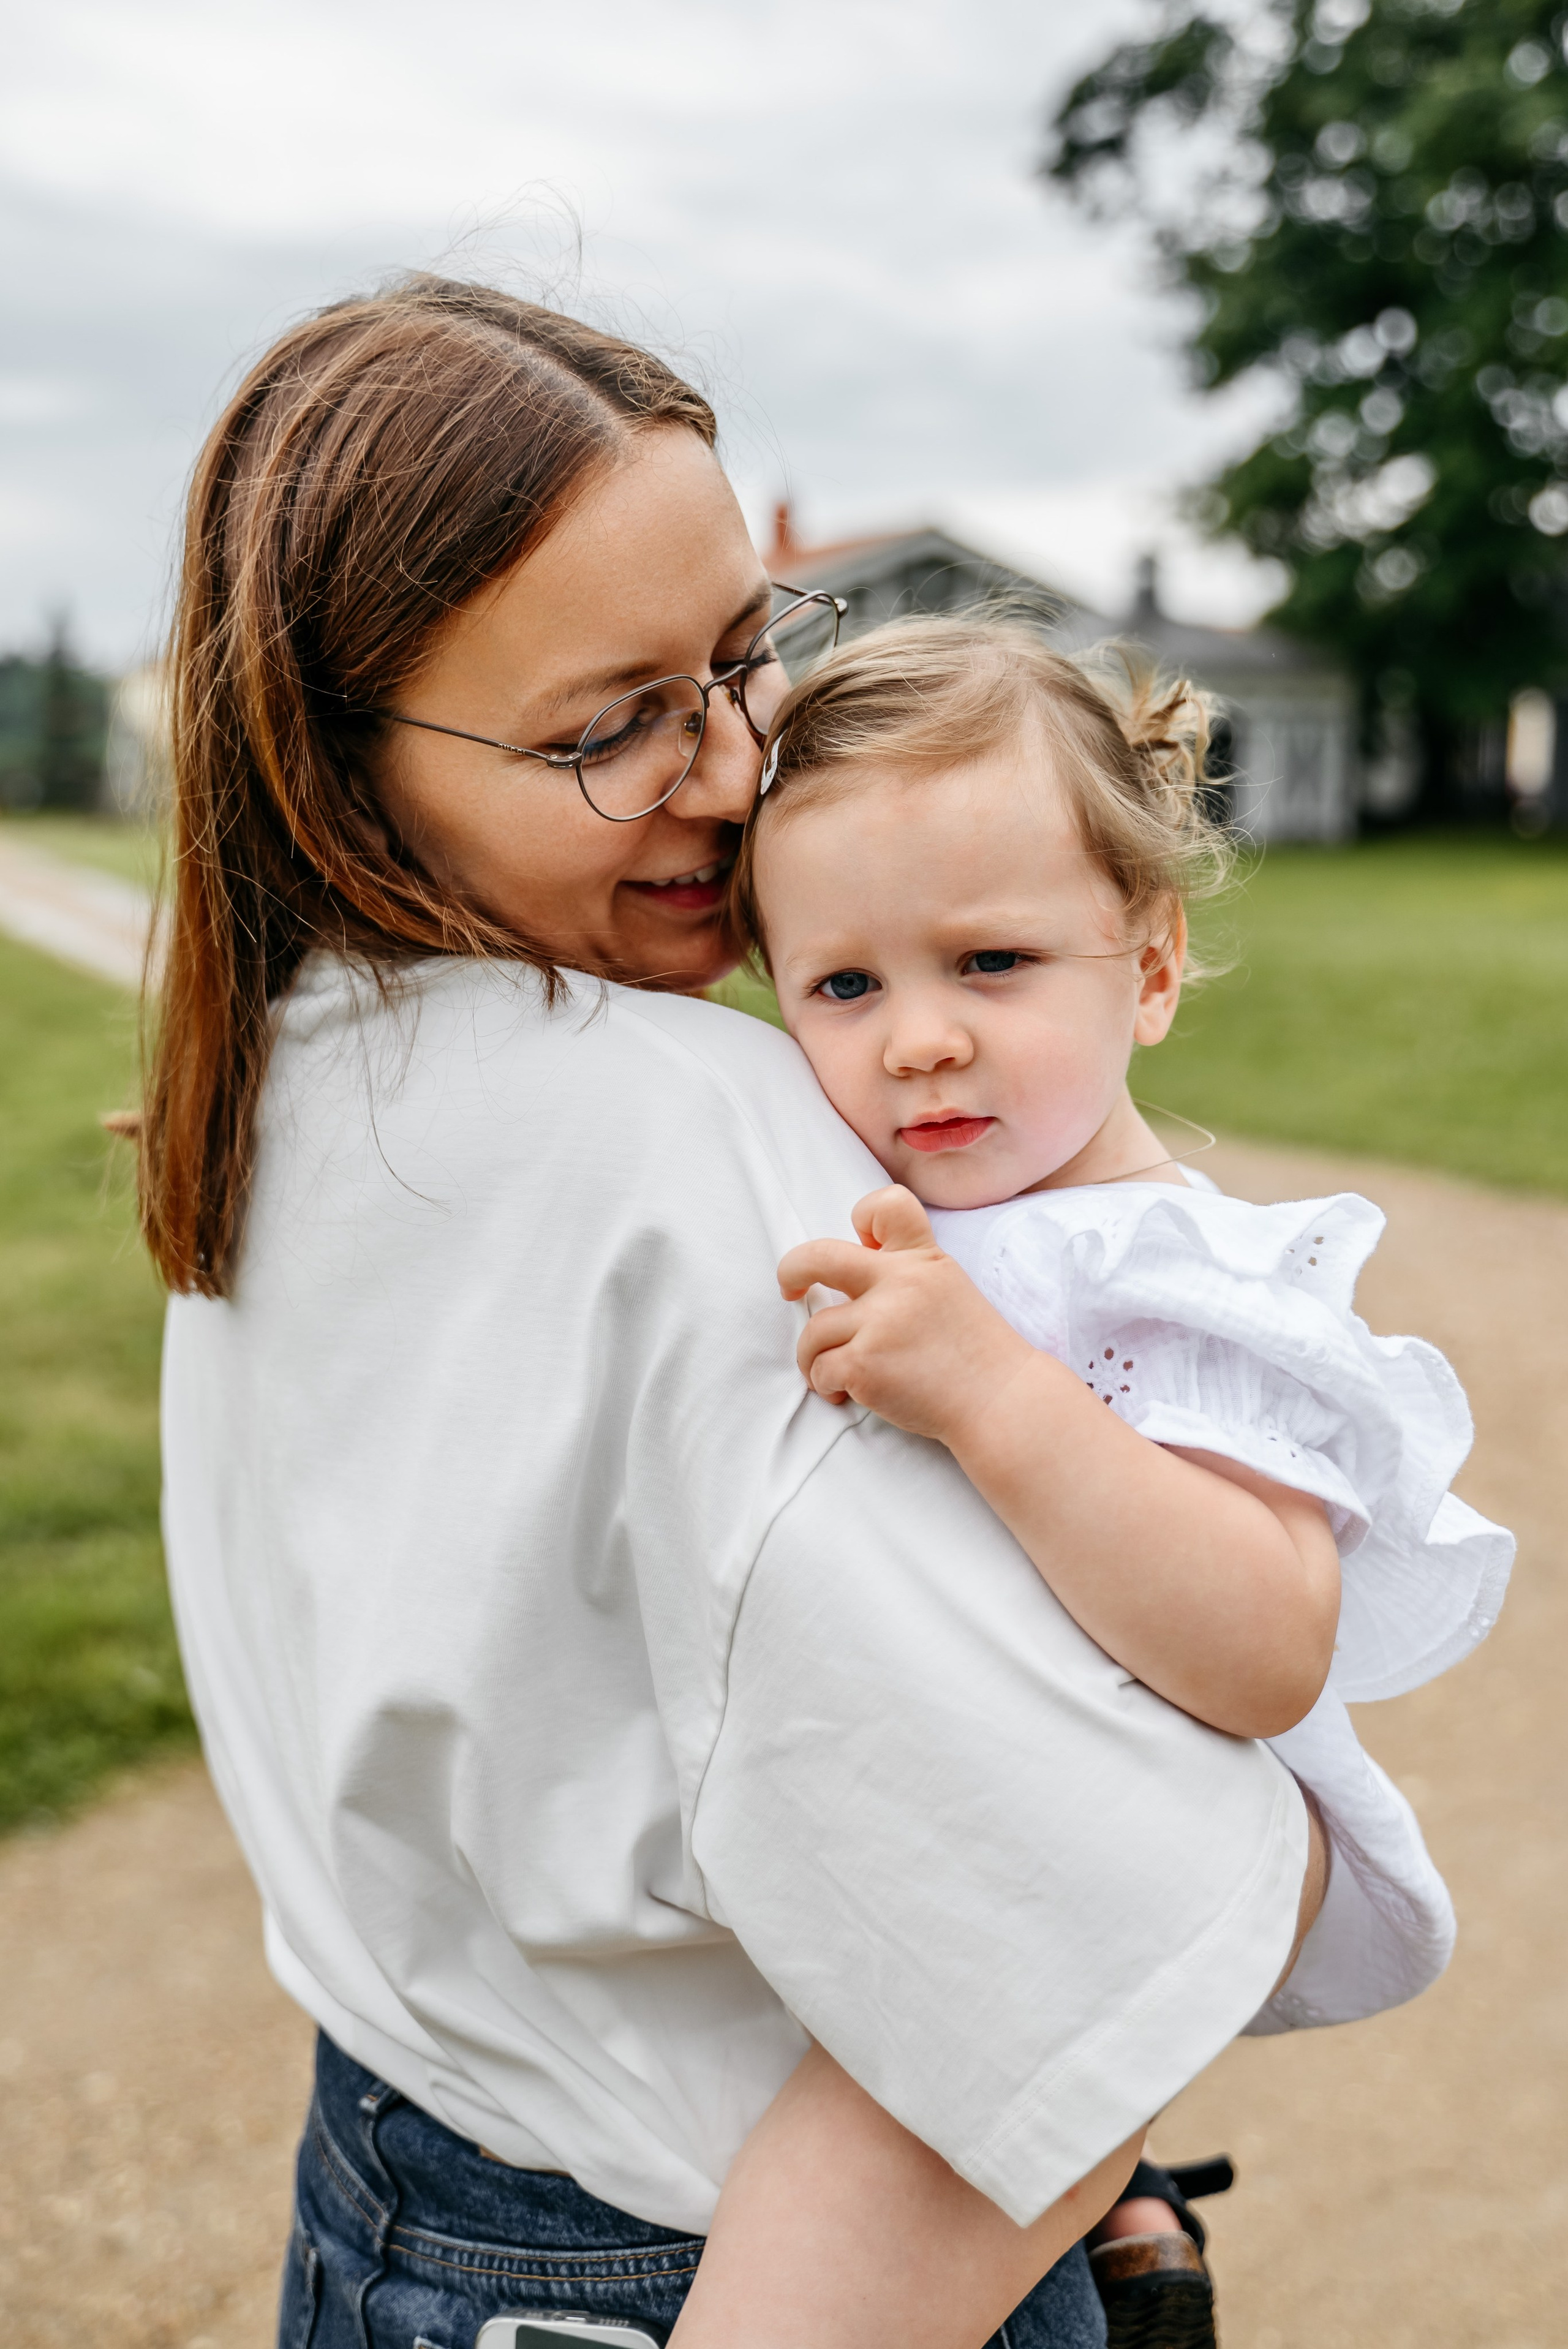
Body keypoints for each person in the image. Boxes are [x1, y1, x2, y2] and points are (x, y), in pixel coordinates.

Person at [145, 275, 1333, 2349]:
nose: (724, 774)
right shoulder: (701, 1141)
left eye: (739, 659)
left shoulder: (266, 1076)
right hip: (703, 2263)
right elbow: (1083, 1890)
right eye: (609, 728)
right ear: (337, 765)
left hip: (388, 2200)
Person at [731, 614, 1517, 2340]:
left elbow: (1263, 1647)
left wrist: (996, 1399)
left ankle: (1116, 2181)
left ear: (1149, 969)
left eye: (992, 963)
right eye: (846, 985)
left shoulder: (1168, 1278)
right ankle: (1130, 2191)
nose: (918, 1038)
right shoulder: (914, 1199)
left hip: (1072, 1911)